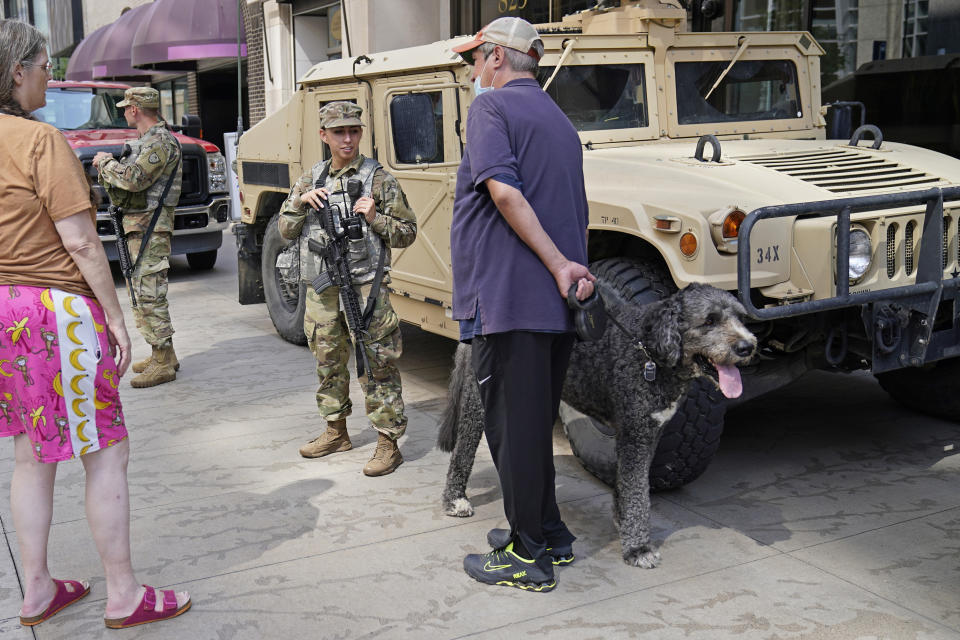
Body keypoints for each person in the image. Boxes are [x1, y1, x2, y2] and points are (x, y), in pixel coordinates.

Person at [0, 20, 190, 628]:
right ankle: (123, 593)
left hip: (5, 310)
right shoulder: (39, 140)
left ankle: (36, 591)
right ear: (15, 74)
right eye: (40, 63)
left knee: (32, 453)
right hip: (54, 305)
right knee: (106, 451)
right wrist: (115, 317)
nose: (48, 74)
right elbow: (81, 242)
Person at [450, 17, 596, 592]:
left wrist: (558, 264)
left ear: (495, 59)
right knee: (534, 425)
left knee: (512, 429)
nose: (472, 72)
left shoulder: (490, 110)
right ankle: (549, 533)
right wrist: (566, 272)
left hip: (511, 299)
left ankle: (525, 554)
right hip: (552, 304)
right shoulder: (558, 119)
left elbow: (504, 191)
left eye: (475, 60)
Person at [278, 101, 417, 477]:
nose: (347, 138)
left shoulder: (379, 179)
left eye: (353, 131)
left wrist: (375, 217)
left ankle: (388, 442)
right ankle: (336, 431)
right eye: (339, 132)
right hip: (323, 290)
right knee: (327, 360)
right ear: (323, 136)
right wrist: (300, 203)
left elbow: (408, 233)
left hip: (365, 288)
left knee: (377, 363)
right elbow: (284, 232)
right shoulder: (311, 179)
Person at [93, 87, 182, 389]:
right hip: (140, 225)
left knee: (150, 290)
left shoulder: (159, 142)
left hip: (151, 228)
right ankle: (163, 353)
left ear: (135, 109)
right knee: (142, 290)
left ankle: (163, 361)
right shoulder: (150, 140)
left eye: (126, 107)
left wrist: (105, 163)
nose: (124, 112)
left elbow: (134, 179)